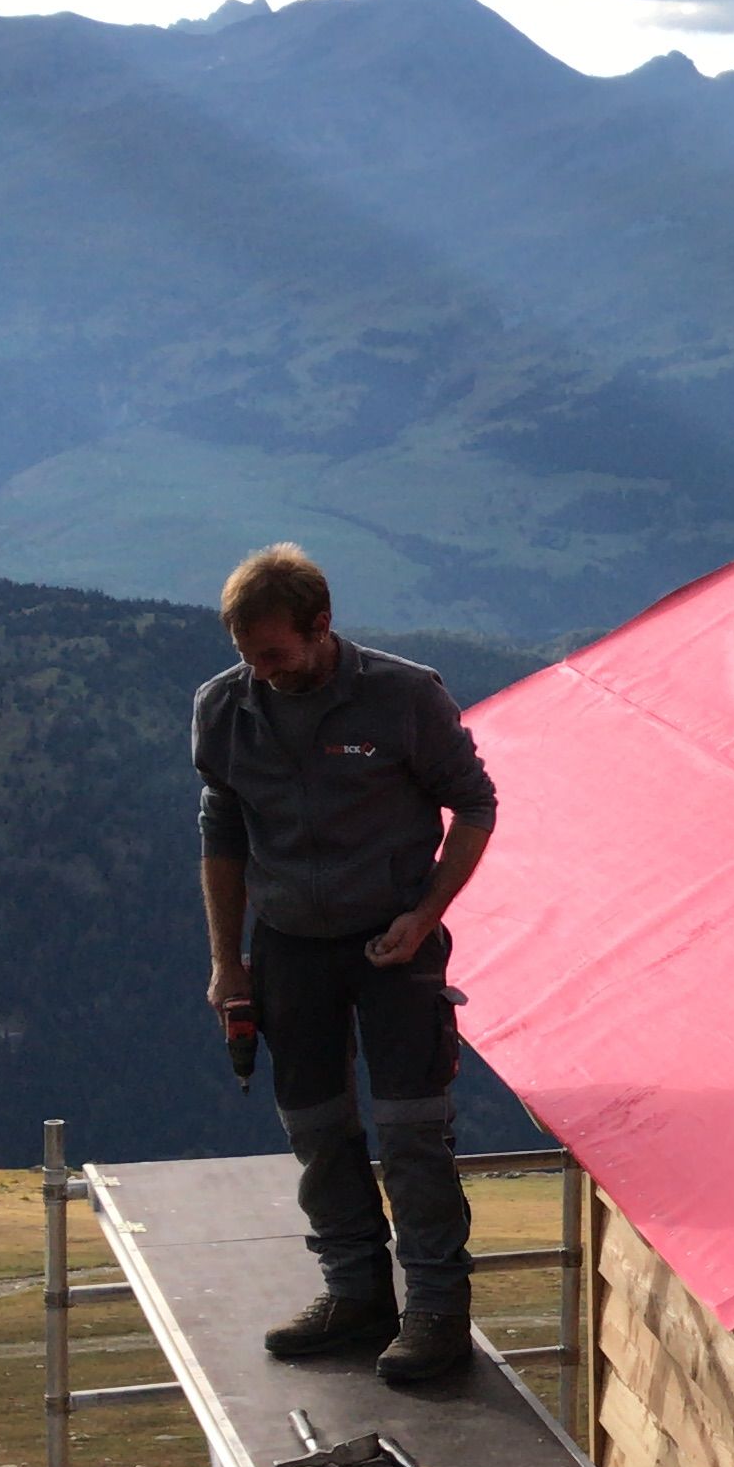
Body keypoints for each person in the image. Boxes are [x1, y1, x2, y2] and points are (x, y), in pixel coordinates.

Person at [193, 544, 498, 1382]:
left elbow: (475, 804)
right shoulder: (224, 707)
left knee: (411, 1129)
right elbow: (222, 828)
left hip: (394, 944)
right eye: (246, 655)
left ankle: (435, 1311)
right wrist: (227, 963)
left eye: (274, 654)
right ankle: (356, 1294)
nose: (259, 672)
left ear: (321, 625)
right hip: (287, 946)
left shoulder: (405, 696)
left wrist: (425, 916)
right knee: (317, 1127)